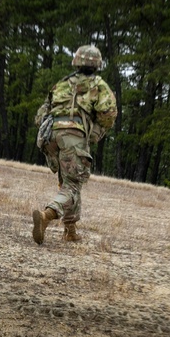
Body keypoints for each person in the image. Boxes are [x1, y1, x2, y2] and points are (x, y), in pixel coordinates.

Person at [31, 44, 117, 244]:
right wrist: (95, 132)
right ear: (97, 65)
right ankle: (47, 215)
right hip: (74, 137)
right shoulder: (98, 85)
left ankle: (70, 231)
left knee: (67, 182)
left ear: (76, 62)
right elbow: (109, 113)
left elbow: (41, 114)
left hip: (50, 137)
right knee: (73, 184)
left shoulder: (62, 83)